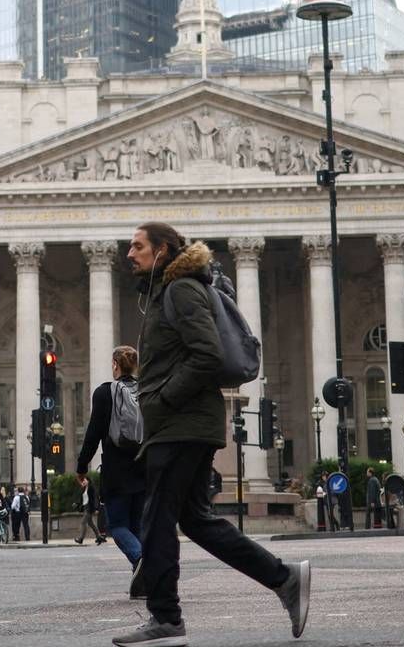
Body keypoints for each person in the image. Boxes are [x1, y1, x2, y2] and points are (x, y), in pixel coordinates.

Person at [113, 223, 310, 647]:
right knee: (197, 521)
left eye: (138, 246)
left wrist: (163, 398)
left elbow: (207, 354)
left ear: (162, 250)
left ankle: (166, 619)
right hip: (182, 423)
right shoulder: (168, 291)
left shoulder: (181, 289)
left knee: (156, 520)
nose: (129, 253)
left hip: (181, 424)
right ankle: (285, 578)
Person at [76, 344, 146, 567]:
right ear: (134, 366)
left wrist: (82, 466)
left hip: (117, 471)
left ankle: (141, 560)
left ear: (115, 365)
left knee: (117, 526)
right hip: (144, 468)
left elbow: (93, 434)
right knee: (137, 526)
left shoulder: (105, 393)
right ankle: (145, 578)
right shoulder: (146, 391)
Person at [75, 475, 108, 545]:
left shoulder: (91, 488)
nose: (83, 481)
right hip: (85, 508)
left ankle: (80, 538)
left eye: (84, 480)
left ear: (88, 481)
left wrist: (96, 508)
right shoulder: (83, 489)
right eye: (83, 480)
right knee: (91, 524)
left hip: (89, 508)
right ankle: (99, 537)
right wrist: (77, 504)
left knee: (83, 523)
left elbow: (95, 499)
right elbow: (82, 500)